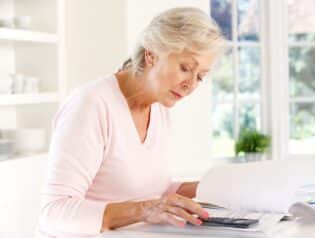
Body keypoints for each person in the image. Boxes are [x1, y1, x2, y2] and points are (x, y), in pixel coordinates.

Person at [36, 7, 225, 238]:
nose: (191, 85)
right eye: (185, 68)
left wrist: (219, 187)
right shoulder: (92, 105)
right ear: (152, 54)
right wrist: (144, 210)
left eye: (200, 77)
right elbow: (54, 212)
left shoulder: (159, 106)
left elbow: (153, 192)